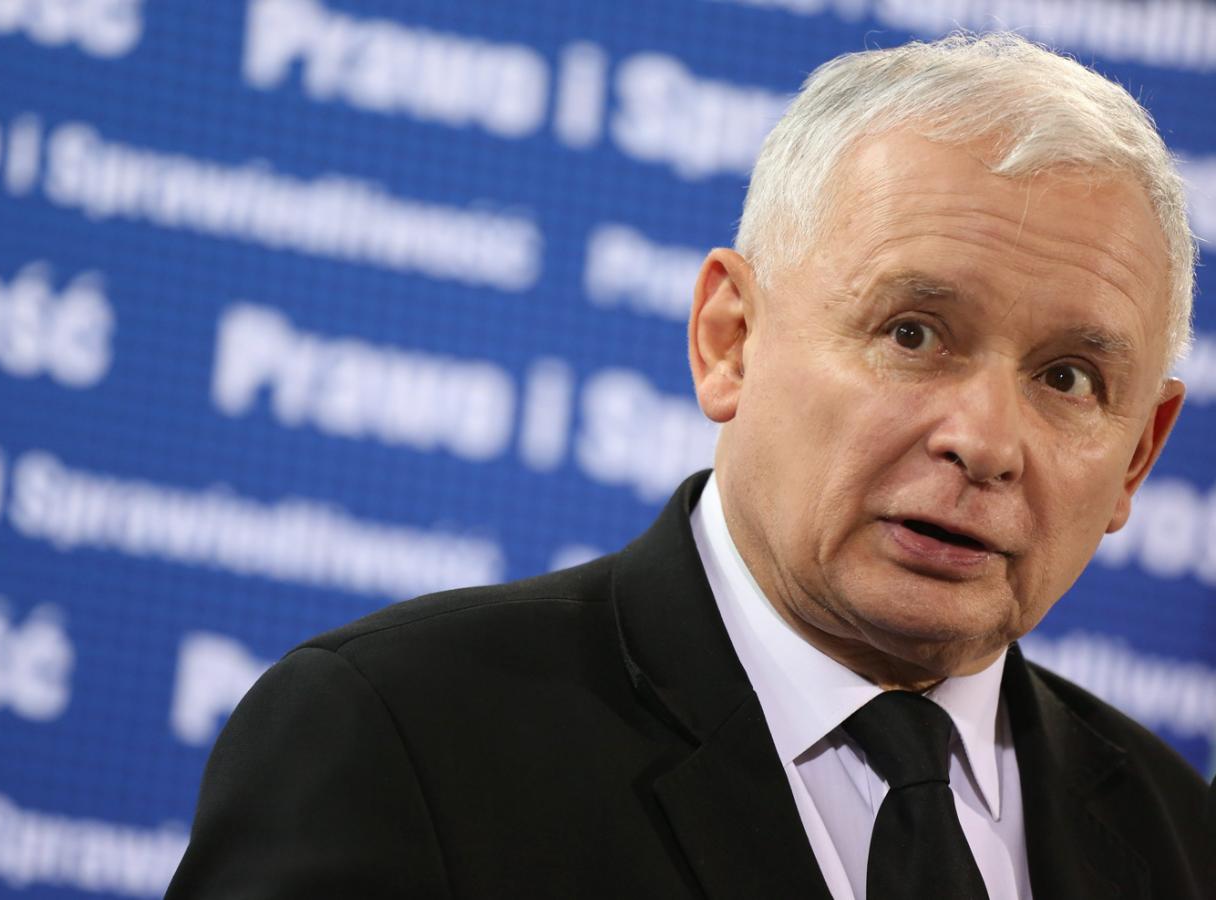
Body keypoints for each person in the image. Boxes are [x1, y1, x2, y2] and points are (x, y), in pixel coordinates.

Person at [166, 33, 1212, 899]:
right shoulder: (402, 743)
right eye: (911, 333)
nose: (982, 441)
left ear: (1137, 457)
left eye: (1068, 378)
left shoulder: (1181, 840)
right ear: (730, 340)